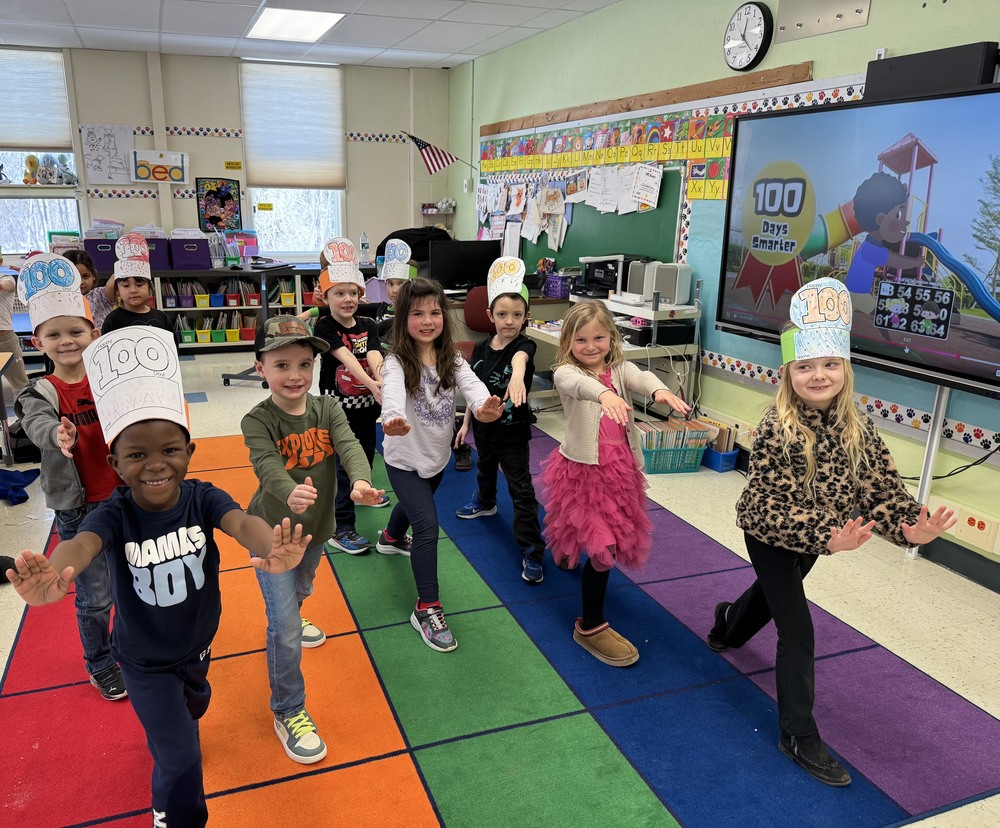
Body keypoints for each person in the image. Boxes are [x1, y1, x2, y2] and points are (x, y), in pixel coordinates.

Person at [5, 325, 312, 828]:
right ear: (115, 462)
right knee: (180, 757)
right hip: (143, 660)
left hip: (197, 646)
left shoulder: (202, 497)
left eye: (170, 451)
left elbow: (241, 523)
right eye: (137, 455)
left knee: (192, 713)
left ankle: (175, 731)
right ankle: (175, 814)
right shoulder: (114, 513)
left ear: (189, 452)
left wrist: (270, 546)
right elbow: (83, 543)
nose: (156, 466)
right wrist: (58, 571)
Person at [706, 277, 956, 787]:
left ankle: (727, 624)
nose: (818, 375)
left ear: (845, 368)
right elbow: (767, 505)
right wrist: (825, 536)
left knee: (771, 597)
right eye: (805, 366)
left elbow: (881, 488)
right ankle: (798, 733)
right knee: (797, 629)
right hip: (771, 535)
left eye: (829, 365)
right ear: (788, 373)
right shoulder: (777, 428)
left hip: (824, 537)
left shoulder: (858, 427)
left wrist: (910, 527)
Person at [243, 314, 383, 763]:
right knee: (283, 628)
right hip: (271, 535)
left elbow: (349, 445)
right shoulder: (257, 419)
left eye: (304, 364)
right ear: (261, 368)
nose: (295, 375)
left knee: (302, 589)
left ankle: (293, 612)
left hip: (316, 530)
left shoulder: (327, 408)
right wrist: (289, 491)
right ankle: (288, 709)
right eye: (282, 365)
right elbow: (266, 464)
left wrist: (360, 480)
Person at [538, 300, 690, 667]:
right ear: (567, 343)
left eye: (599, 338)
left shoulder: (619, 368)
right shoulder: (565, 373)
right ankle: (590, 626)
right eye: (581, 340)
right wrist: (604, 393)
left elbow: (641, 376)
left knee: (607, 532)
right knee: (602, 549)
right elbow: (578, 385)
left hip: (619, 469)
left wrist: (659, 391)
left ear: (612, 338)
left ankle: (568, 551)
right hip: (583, 469)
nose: (591, 347)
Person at [13, 253, 125, 700]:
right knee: (95, 595)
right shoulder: (39, 392)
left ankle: (129, 646)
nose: (66, 341)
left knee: (130, 581)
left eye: (75, 331)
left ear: (93, 334)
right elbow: (36, 423)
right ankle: (100, 661)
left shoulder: (110, 381)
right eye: (54, 334)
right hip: (79, 510)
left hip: (123, 497)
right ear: (37, 341)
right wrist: (56, 434)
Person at [379, 277, 503, 652]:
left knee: (414, 507)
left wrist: (483, 405)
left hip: (436, 457)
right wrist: (392, 416)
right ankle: (427, 607)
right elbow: (392, 390)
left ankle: (390, 538)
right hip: (403, 458)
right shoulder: (397, 361)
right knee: (427, 526)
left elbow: (472, 384)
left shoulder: (453, 358)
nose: (428, 321)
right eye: (418, 314)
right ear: (403, 318)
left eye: (435, 312)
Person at [454, 257, 545, 584]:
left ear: (526, 316)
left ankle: (532, 550)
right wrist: (466, 424)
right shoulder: (480, 349)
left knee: (521, 490)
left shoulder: (524, 345)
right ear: (490, 315)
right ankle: (486, 501)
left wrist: (518, 377)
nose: (510, 321)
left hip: (513, 432)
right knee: (485, 467)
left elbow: (520, 360)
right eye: (503, 314)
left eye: (517, 315)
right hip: (483, 427)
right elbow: (472, 389)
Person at [314, 239, 388, 555]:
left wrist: (381, 379)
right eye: (339, 293)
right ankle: (341, 527)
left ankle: (363, 490)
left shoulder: (368, 324)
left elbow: (373, 353)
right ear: (325, 297)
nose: (347, 299)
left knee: (366, 454)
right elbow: (345, 357)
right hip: (337, 408)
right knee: (342, 466)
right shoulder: (324, 326)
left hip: (366, 408)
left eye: (353, 293)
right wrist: (371, 383)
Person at [100, 233, 174, 335]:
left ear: (150, 288)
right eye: (126, 286)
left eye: (139, 285)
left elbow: (171, 344)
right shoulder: (112, 321)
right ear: (117, 290)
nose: (133, 290)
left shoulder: (162, 318)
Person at [65, 248, 116, 331]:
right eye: (73, 278)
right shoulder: (58, 300)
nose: (80, 282)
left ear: (93, 275)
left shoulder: (100, 296)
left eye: (85, 276)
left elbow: (117, 278)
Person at [0, 257, 29, 398]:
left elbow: (6, 286)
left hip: (5, 341)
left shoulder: (6, 278)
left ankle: (27, 411)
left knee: (20, 385)